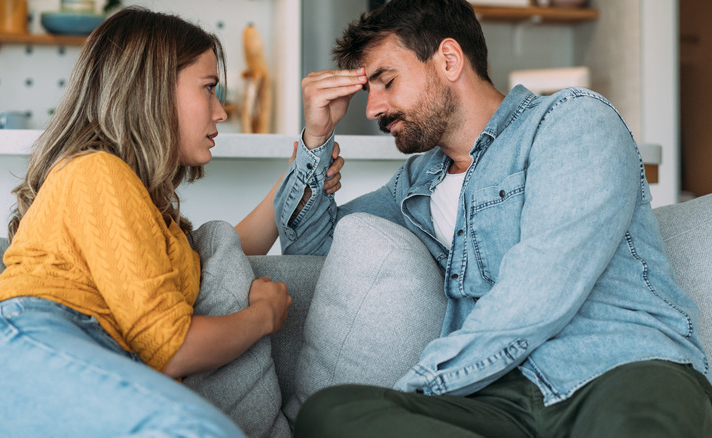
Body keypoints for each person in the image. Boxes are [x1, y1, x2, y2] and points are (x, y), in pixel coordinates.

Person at [274, 0, 712, 436]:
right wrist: (317, 138)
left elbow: (539, 288)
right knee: (332, 412)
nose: (372, 109)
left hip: (616, 370)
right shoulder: (416, 183)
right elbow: (313, 251)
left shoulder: (571, 120)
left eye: (385, 82)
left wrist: (421, 391)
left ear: (448, 59)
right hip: (502, 399)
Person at [0, 7, 343, 438]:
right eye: (208, 89)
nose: (220, 112)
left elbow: (227, 250)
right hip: (31, 346)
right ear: (152, 89)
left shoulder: (150, 216)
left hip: (61, 358)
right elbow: (170, 348)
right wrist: (263, 316)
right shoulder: (96, 171)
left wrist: (306, 161)